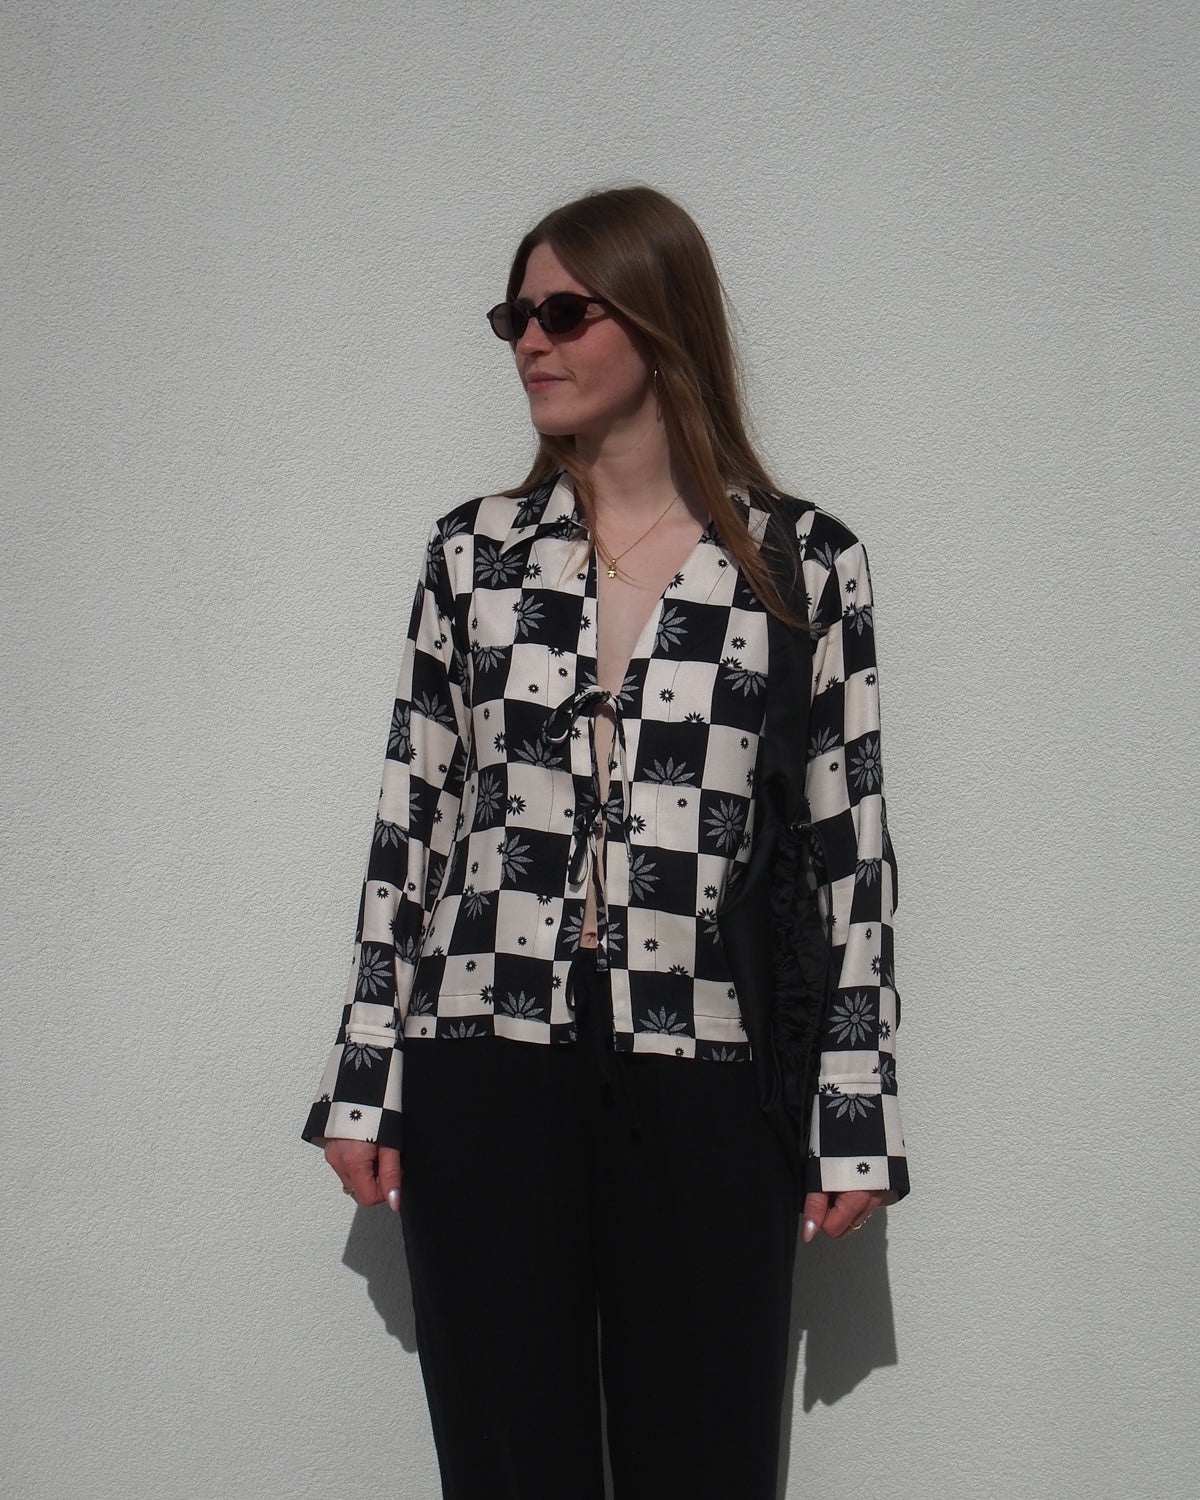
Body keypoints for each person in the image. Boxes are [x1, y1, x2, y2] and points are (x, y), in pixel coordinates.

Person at [303, 185, 908, 1500]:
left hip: (706, 1076)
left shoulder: (800, 567)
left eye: (566, 310)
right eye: (516, 314)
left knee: (708, 1459)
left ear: (660, 320)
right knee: (508, 1460)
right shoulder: (475, 557)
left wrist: (852, 1111)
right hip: (486, 1068)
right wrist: (365, 1076)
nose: (532, 339)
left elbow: (851, 854)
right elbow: (412, 824)